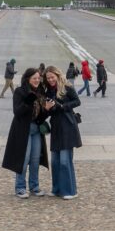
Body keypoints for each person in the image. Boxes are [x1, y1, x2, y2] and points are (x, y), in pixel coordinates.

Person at [2, 68, 52, 197]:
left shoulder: (41, 92)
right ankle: (20, 187)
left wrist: (46, 110)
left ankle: (34, 186)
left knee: (35, 159)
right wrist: (29, 102)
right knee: (24, 159)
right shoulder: (20, 91)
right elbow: (17, 112)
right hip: (23, 130)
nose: (37, 80)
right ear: (28, 79)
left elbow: (41, 116)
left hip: (36, 129)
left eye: (38, 78)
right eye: (34, 78)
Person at [43, 67, 82, 198]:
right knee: (55, 161)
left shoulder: (66, 86)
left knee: (65, 161)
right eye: (48, 78)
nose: (50, 79)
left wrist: (62, 106)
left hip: (67, 125)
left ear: (57, 75)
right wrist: (48, 109)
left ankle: (70, 191)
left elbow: (77, 101)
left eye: (52, 77)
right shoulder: (48, 91)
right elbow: (50, 111)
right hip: (56, 127)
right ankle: (57, 189)